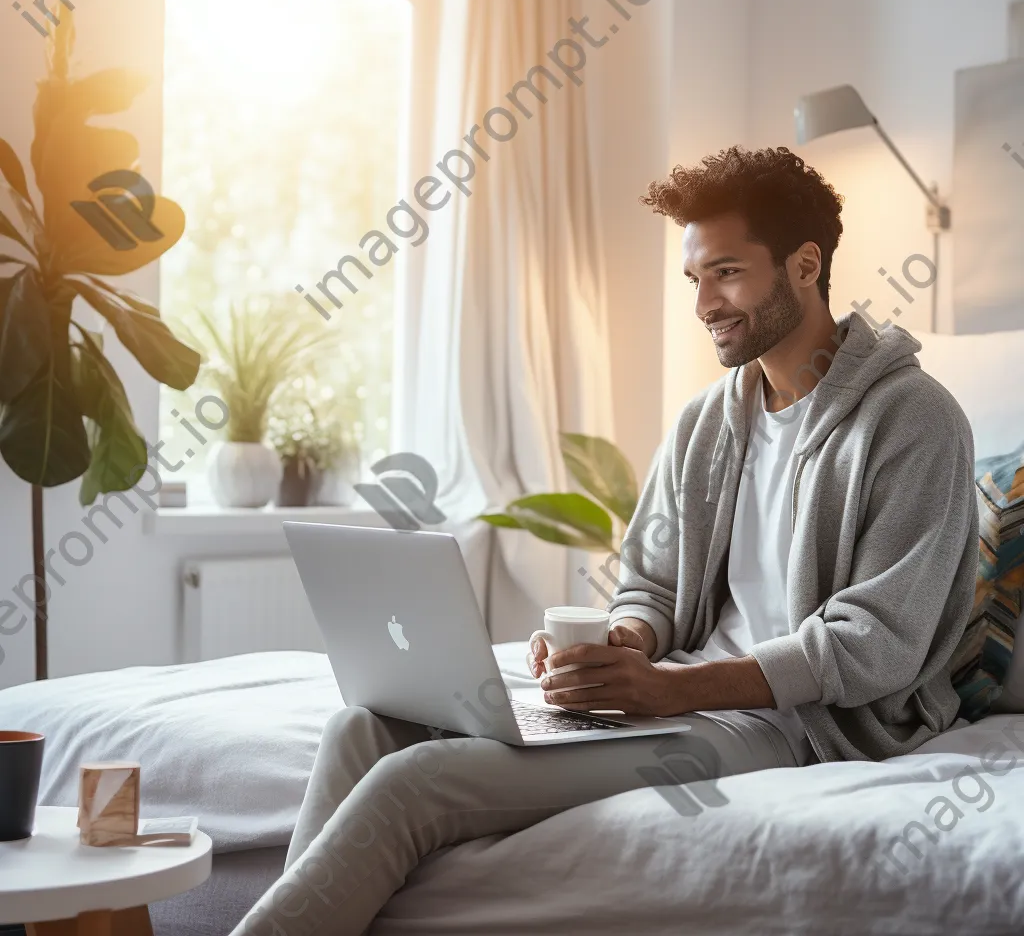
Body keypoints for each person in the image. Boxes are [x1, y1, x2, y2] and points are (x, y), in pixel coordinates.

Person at [232, 146, 978, 936]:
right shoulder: (707, 422)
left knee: (417, 784)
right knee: (360, 728)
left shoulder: (913, 419)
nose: (704, 305)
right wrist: (620, 645)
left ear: (804, 265)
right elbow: (651, 585)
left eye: (726, 272)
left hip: (790, 725)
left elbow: (877, 644)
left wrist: (672, 691)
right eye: (695, 279)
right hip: (669, 697)